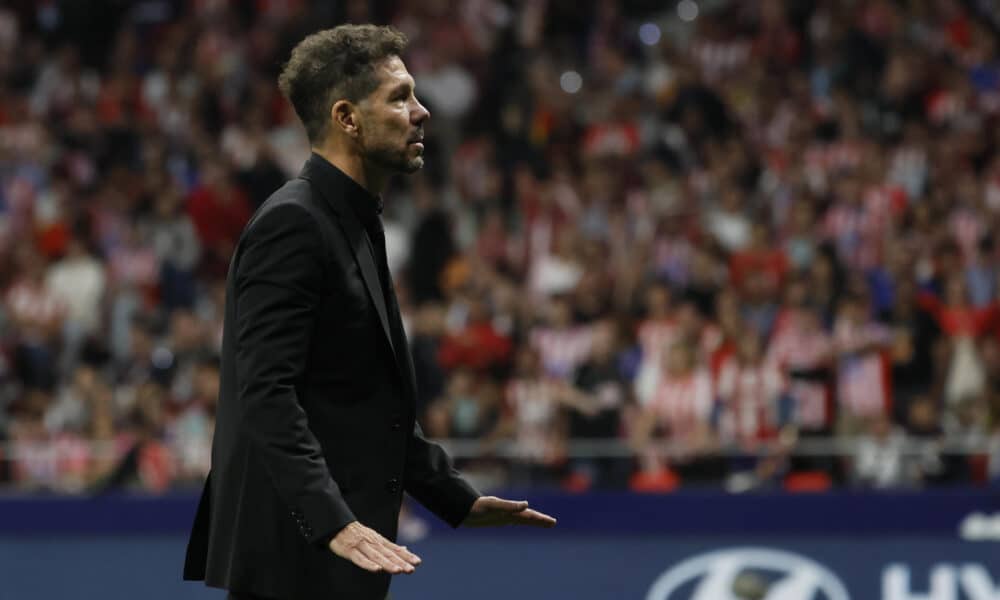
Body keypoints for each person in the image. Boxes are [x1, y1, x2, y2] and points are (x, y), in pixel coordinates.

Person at [182, 25, 556, 600]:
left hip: (341, 560)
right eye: (400, 96)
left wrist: (456, 499)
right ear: (347, 118)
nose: (421, 111)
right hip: (295, 563)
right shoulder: (294, 225)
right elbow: (264, 393)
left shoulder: (355, 222)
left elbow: (366, 403)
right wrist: (331, 520)